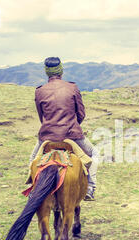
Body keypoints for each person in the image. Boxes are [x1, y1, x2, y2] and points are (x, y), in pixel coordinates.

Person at [29, 57, 97, 201]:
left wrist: (51, 128)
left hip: (47, 137)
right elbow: (81, 114)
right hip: (72, 134)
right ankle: (90, 188)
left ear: (47, 72)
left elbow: (42, 117)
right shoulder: (72, 87)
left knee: (33, 160)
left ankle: (33, 189)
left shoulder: (39, 91)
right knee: (94, 154)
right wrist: (72, 125)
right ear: (61, 71)